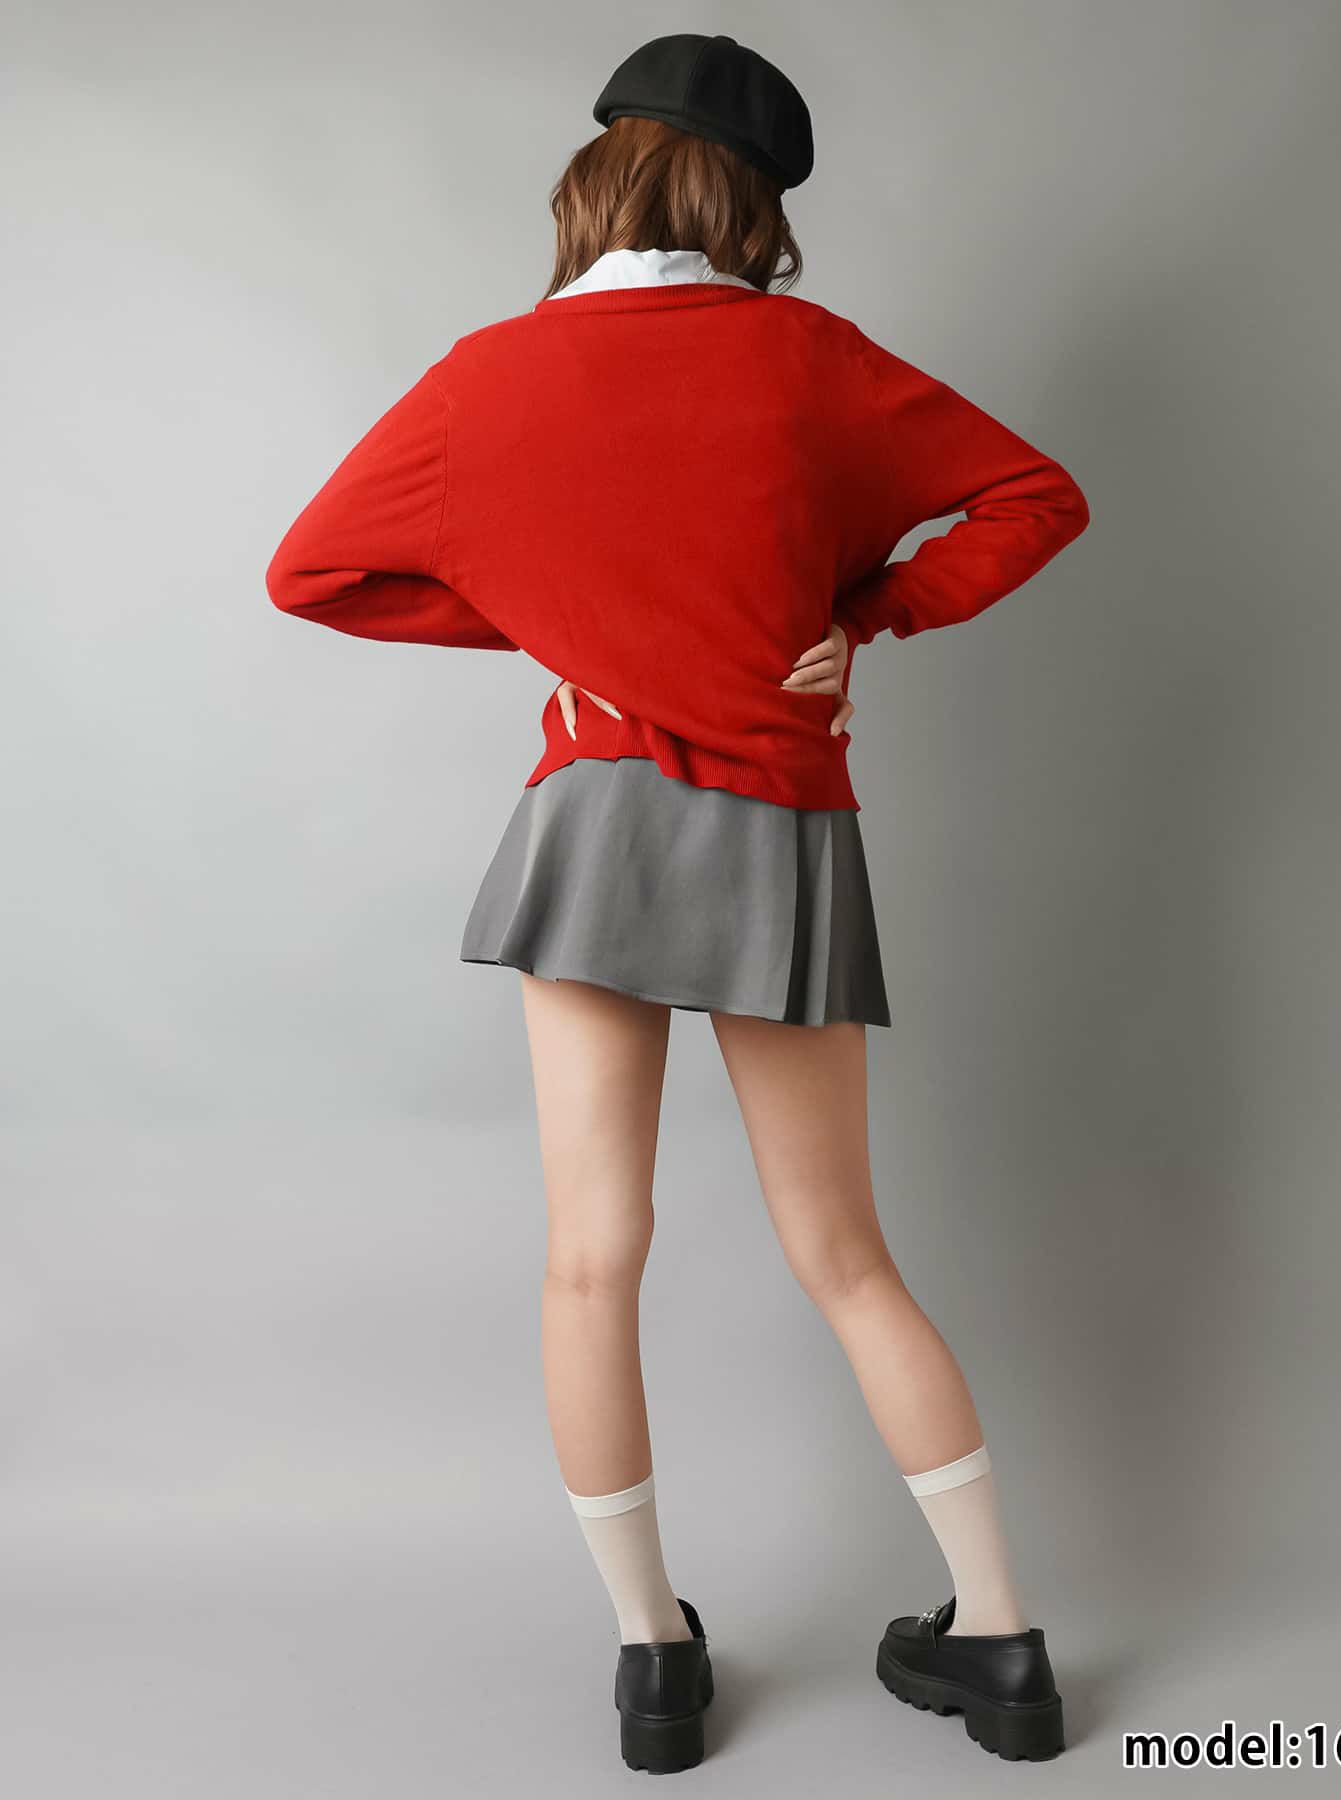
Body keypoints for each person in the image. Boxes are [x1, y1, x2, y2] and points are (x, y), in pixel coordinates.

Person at [265, 30, 1089, 1776]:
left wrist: (554, 624)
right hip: (781, 828)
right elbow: (1038, 495)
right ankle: (1005, 1644)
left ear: (600, 180)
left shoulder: (491, 373)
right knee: (847, 1256)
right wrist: (869, 613)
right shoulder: (813, 359)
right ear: (754, 211)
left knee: (590, 1255)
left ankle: (655, 1665)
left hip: (597, 820)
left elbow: (312, 570)